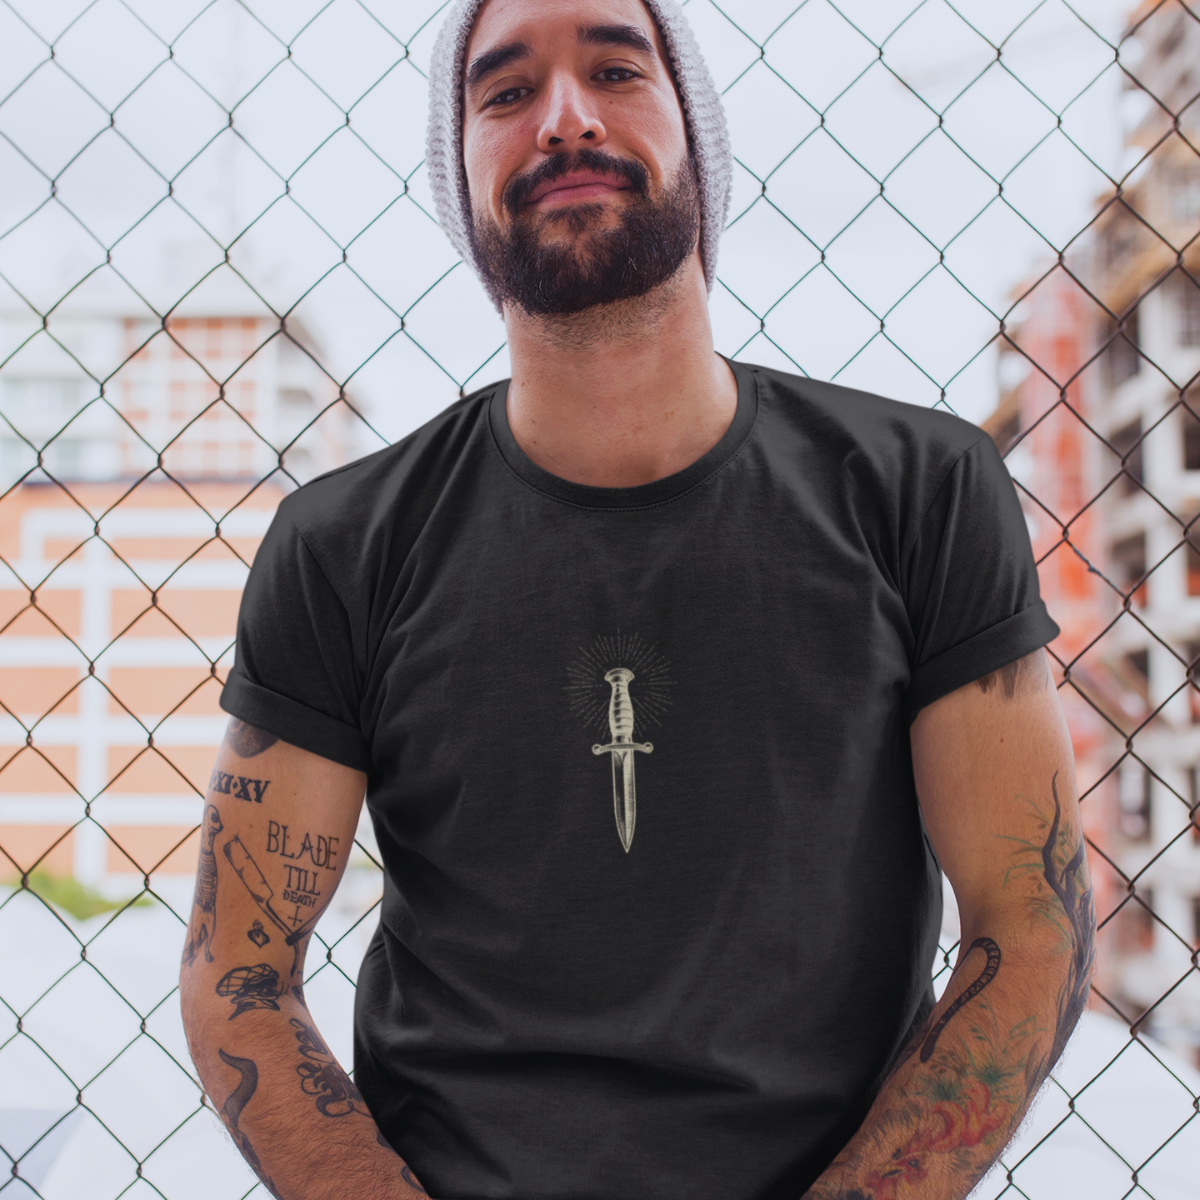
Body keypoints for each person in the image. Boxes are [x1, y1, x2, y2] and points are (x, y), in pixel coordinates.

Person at [179, 0, 1096, 1196]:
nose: (563, 118)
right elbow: (238, 976)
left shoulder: (920, 490)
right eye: (504, 93)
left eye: (615, 68)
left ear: (695, 138)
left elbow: (1029, 931)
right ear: (462, 176)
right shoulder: (342, 543)